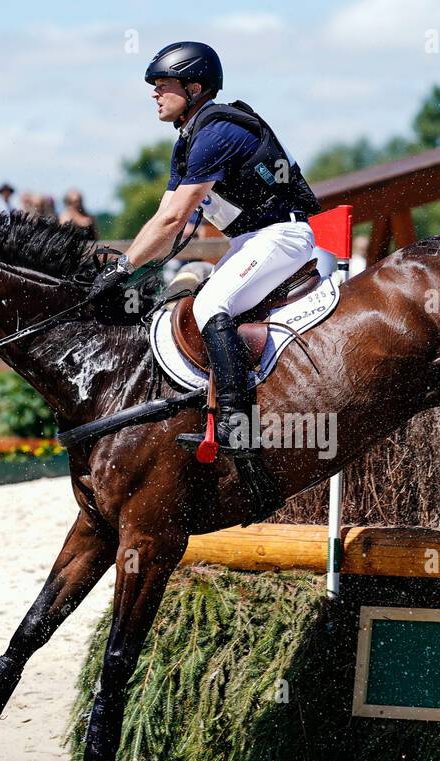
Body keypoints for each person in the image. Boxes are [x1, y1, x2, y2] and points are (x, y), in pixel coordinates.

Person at [89, 41, 321, 456]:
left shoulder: (217, 133)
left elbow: (172, 220)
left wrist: (122, 267)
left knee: (210, 304)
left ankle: (239, 426)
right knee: (194, 301)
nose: (154, 93)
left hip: (281, 236)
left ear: (194, 88)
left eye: (163, 84)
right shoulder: (189, 139)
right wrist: (125, 272)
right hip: (252, 239)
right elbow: (166, 221)